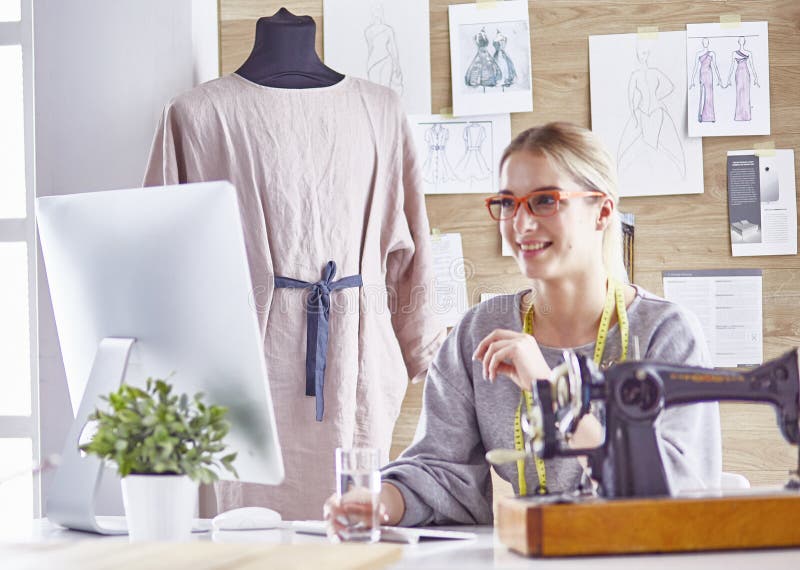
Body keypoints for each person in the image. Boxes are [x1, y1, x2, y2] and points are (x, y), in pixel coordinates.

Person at [324, 122, 722, 532]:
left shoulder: (666, 333)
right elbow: (440, 469)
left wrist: (547, 390)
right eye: (509, 203)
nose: (521, 223)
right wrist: (378, 502)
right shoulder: (478, 331)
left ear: (602, 211)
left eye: (545, 200)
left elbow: (676, 487)